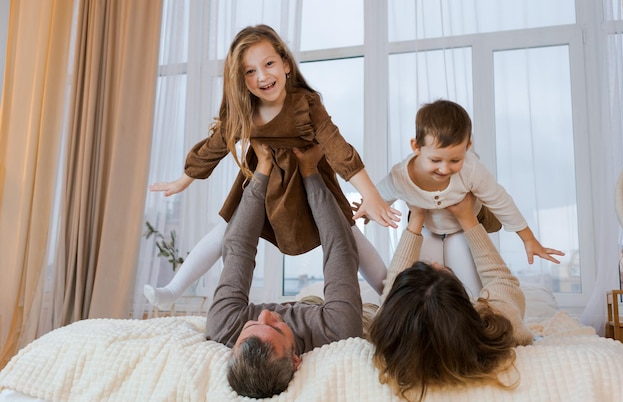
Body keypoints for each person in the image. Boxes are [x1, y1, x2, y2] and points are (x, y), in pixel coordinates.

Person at [145, 24, 400, 309]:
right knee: (226, 232)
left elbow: (337, 147)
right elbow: (214, 146)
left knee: (349, 237)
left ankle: (394, 298)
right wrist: (183, 179)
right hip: (265, 184)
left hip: (310, 181)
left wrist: (372, 196)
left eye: (268, 64)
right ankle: (172, 290)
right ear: (241, 79)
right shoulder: (243, 111)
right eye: (250, 71)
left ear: (286, 65)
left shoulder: (306, 104)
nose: (263, 76)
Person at [206, 142, 363, 398]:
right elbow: (340, 249)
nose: (266, 313)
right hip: (328, 303)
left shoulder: (224, 327)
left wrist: (263, 169)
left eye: (252, 325)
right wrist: (310, 171)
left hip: (266, 169)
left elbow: (239, 248)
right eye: (277, 328)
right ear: (295, 359)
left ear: (233, 345)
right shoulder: (339, 330)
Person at [376, 99, 563, 295]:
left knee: (471, 292)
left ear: (468, 146)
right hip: (427, 229)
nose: (444, 168)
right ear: (416, 146)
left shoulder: (471, 169)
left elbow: (500, 201)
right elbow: (378, 198)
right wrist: (364, 211)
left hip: (461, 229)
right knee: (420, 289)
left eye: (455, 160)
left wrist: (528, 238)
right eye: (435, 160)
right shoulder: (402, 175)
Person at [368, 192, 534, 402]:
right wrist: (467, 219)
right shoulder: (498, 327)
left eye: (429, 265)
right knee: (457, 238)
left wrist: (417, 217)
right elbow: (502, 280)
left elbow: (393, 285)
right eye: (444, 270)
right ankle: (451, 224)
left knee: (431, 235)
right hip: (463, 229)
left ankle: (432, 224)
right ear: (466, 304)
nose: (436, 263)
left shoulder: (389, 328)